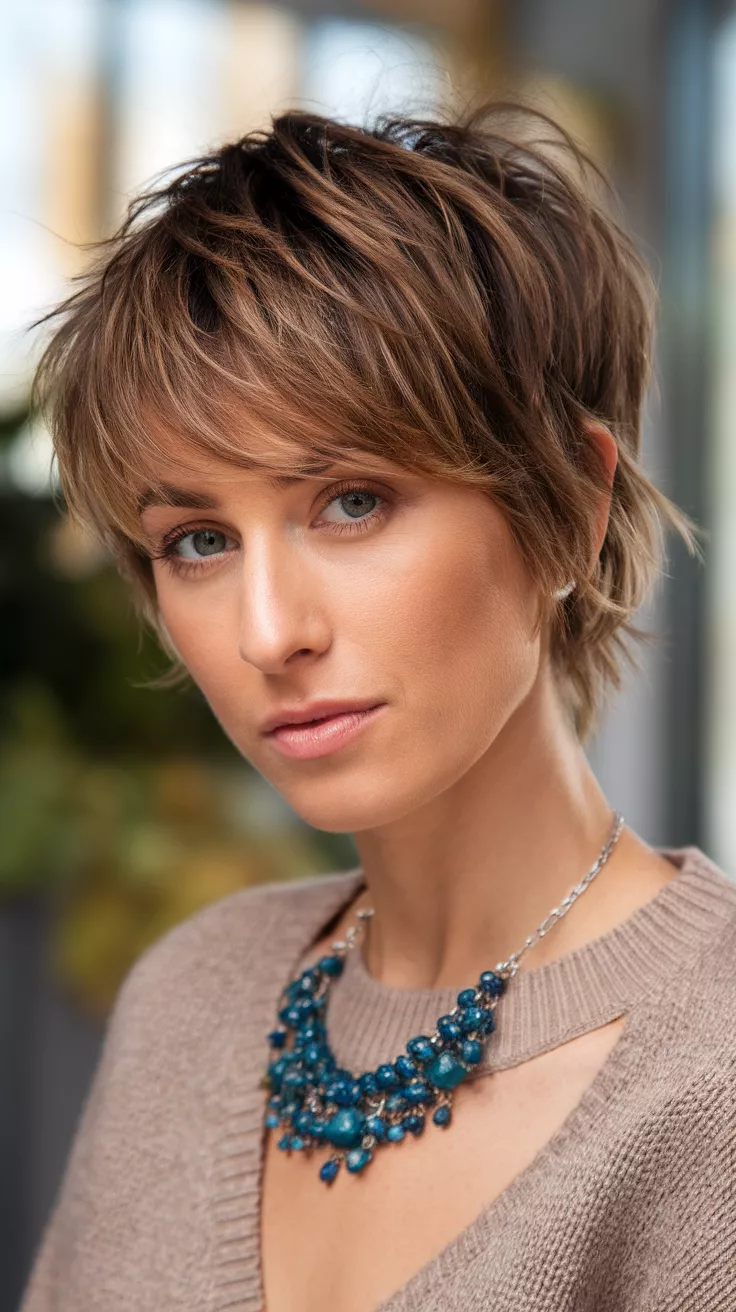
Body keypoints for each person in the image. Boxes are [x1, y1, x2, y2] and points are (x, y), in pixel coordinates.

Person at [19, 102, 736, 1312]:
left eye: (352, 502)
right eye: (196, 539)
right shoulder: (192, 996)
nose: (266, 631)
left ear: (568, 496)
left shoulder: (708, 1077)